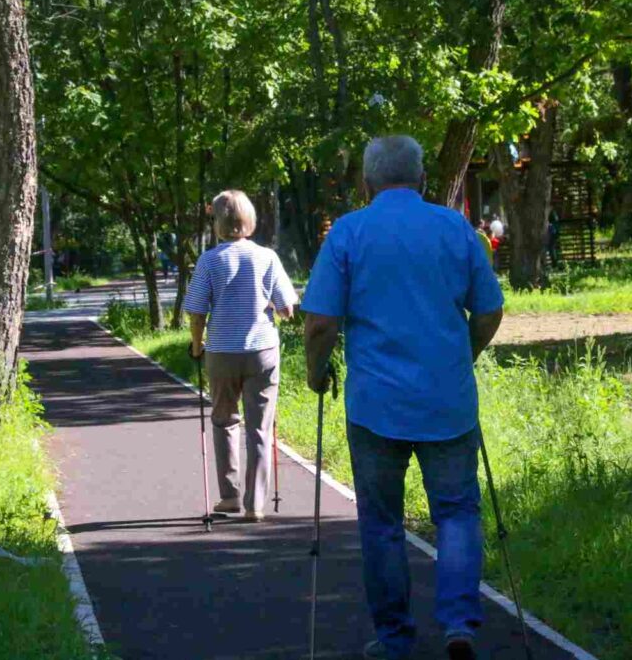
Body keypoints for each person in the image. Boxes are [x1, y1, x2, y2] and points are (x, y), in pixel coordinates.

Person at [300, 136, 504, 660]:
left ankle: (394, 639)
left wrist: (315, 375)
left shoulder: (348, 232)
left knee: (383, 524)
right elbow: (488, 312)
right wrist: (466, 355)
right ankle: (459, 625)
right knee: (457, 513)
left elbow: (321, 322)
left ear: (366, 182)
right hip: (447, 401)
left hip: (375, 405)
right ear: (421, 179)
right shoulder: (456, 228)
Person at [184, 190, 299, 522]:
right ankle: (256, 504)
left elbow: (196, 311)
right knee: (260, 428)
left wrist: (196, 345)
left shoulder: (209, 260)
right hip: (262, 351)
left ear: (218, 222)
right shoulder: (267, 257)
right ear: (250, 219)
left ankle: (230, 496)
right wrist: (274, 307)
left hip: (221, 351)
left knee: (224, 421)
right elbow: (286, 309)